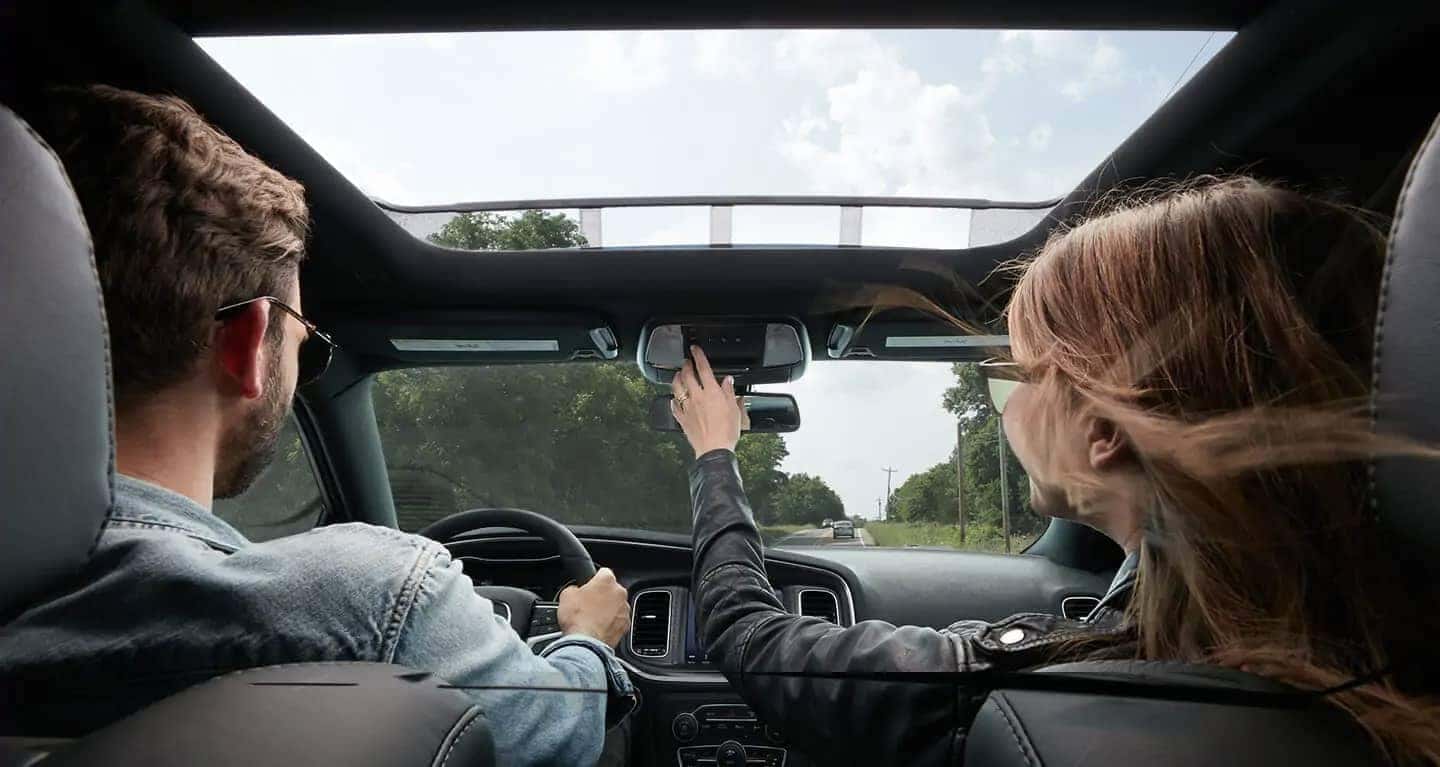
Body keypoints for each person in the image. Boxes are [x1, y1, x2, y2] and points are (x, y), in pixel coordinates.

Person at [672, 177, 1440, 765]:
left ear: (1103, 428)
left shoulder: (1055, 684)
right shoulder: (1390, 663)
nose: (1008, 403)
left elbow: (747, 633)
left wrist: (716, 453)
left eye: (1020, 375)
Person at [0, 85, 633, 766]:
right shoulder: (374, 601)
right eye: (306, 340)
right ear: (248, 343)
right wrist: (587, 638)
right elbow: (558, 730)